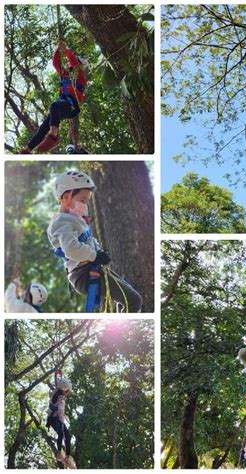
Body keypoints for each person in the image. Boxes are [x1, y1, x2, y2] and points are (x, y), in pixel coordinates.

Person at [47, 170, 142, 312]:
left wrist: (99, 252)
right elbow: (71, 249)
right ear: (65, 197)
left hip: (92, 268)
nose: (85, 205)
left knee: (129, 295)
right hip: (83, 274)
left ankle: (119, 325)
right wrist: (95, 256)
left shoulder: (76, 219)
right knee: (133, 300)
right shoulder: (61, 221)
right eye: (82, 200)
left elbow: (88, 239)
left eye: (87, 201)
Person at [20, 40, 90, 154]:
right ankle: (27, 150)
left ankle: (53, 136)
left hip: (71, 105)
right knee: (43, 127)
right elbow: (55, 64)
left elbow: (73, 62)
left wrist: (65, 50)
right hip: (63, 106)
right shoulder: (65, 75)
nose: (67, 64)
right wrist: (57, 50)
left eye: (70, 63)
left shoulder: (80, 76)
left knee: (54, 106)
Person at [46, 373, 76, 469]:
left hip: (50, 419)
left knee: (61, 435)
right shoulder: (61, 401)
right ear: (64, 390)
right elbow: (60, 413)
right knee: (67, 435)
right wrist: (62, 423)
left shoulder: (55, 392)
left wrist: (60, 374)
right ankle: (66, 456)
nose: (68, 392)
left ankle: (60, 453)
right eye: (67, 390)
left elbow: (58, 383)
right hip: (56, 419)